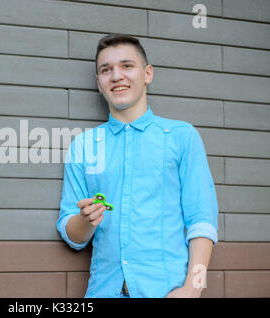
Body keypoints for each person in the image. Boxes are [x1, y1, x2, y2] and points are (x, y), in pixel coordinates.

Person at [57, 34, 218, 298]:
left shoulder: (182, 137)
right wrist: (85, 221)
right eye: (106, 70)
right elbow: (72, 235)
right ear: (99, 83)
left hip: (166, 292)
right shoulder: (83, 146)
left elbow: (202, 221)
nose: (116, 76)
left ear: (147, 74)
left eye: (127, 66)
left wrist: (192, 289)